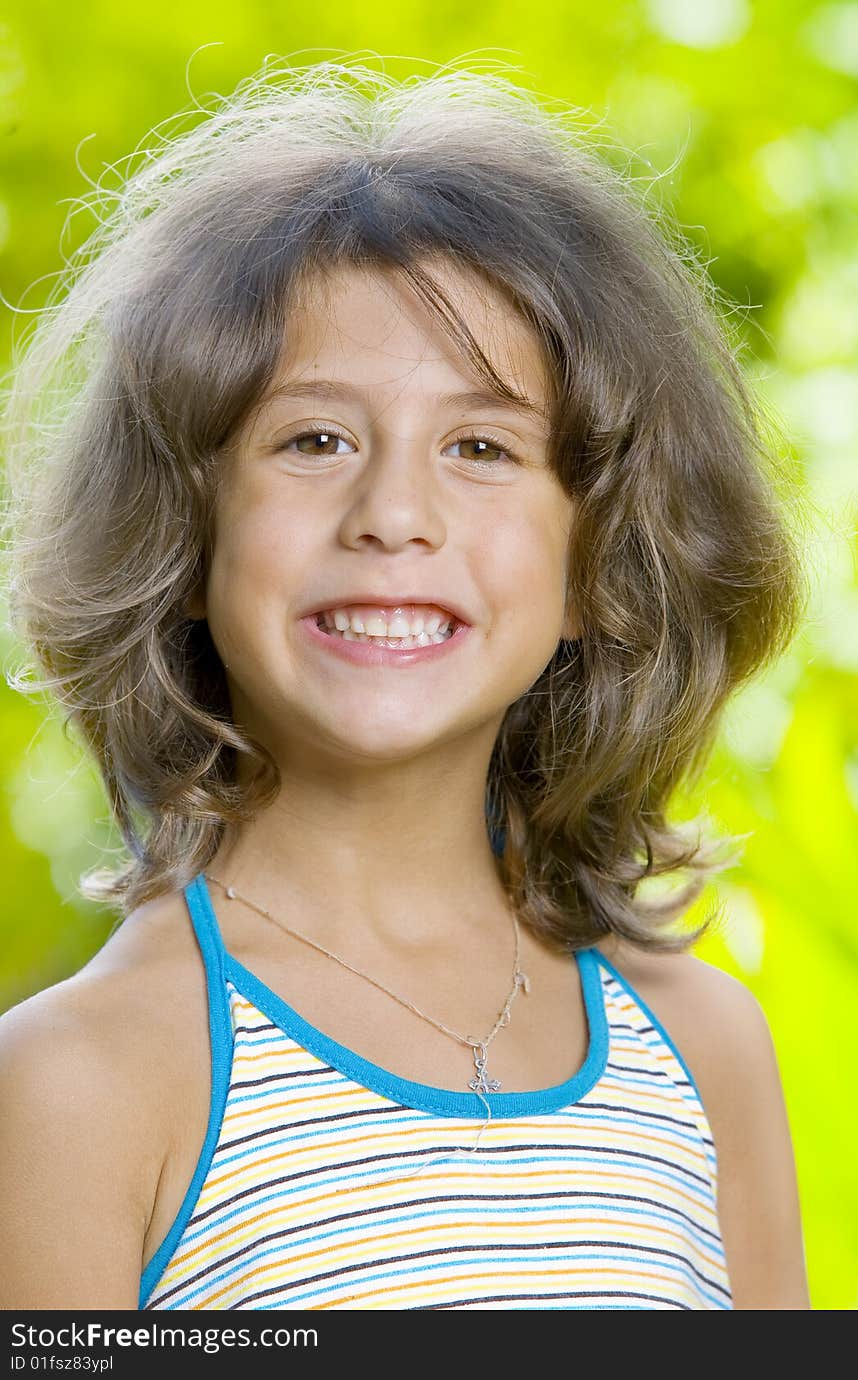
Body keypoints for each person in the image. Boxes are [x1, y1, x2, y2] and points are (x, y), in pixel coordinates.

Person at [0, 58, 812, 1311]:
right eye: (312, 439)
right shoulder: (78, 1081)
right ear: (182, 543)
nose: (391, 514)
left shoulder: (701, 1051)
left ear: (601, 560)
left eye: (482, 446)